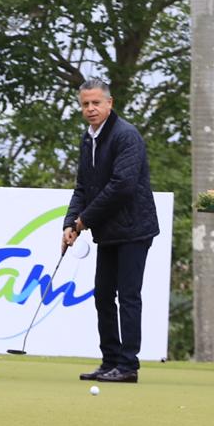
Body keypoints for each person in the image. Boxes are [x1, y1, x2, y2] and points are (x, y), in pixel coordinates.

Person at [63, 78, 160, 384]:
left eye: (96, 103)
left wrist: (84, 221)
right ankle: (110, 361)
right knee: (103, 295)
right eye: (85, 104)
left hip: (134, 227)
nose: (90, 109)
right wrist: (70, 222)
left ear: (109, 103)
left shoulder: (125, 135)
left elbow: (122, 186)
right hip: (108, 230)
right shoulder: (88, 137)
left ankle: (128, 364)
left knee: (128, 295)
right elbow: (84, 186)